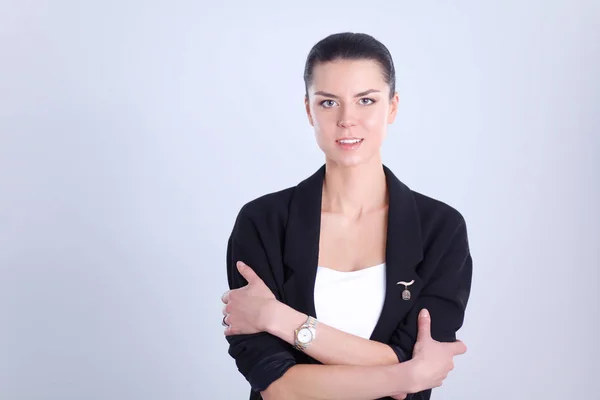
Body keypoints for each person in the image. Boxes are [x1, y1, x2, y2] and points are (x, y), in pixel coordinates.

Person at [220, 32, 473, 400]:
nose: (347, 120)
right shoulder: (263, 223)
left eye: (366, 100)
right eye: (328, 103)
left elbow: (410, 356)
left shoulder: (440, 229)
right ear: (308, 109)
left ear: (392, 107)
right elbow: (279, 387)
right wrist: (404, 377)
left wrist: (279, 319)